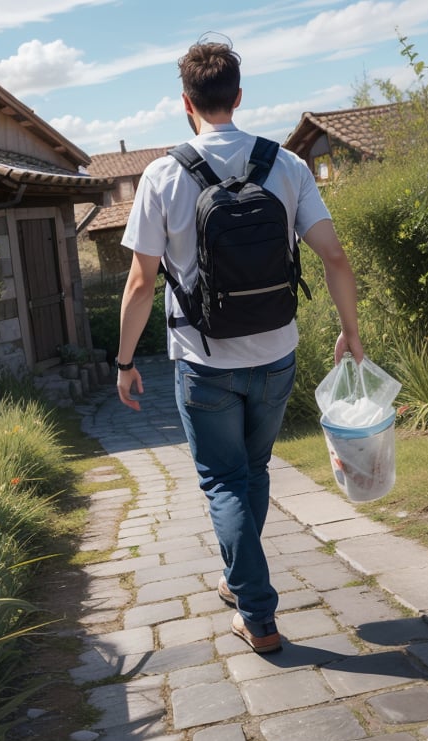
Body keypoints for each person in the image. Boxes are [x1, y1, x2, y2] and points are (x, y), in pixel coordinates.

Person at [116, 38, 364, 653]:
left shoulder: (162, 174)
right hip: (277, 350)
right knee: (251, 471)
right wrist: (351, 330)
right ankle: (239, 580)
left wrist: (122, 362)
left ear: (186, 103)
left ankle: (257, 615)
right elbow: (333, 255)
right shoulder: (287, 164)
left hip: (203, 362)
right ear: (239, 96)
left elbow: (142, 282)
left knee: (223, 481)